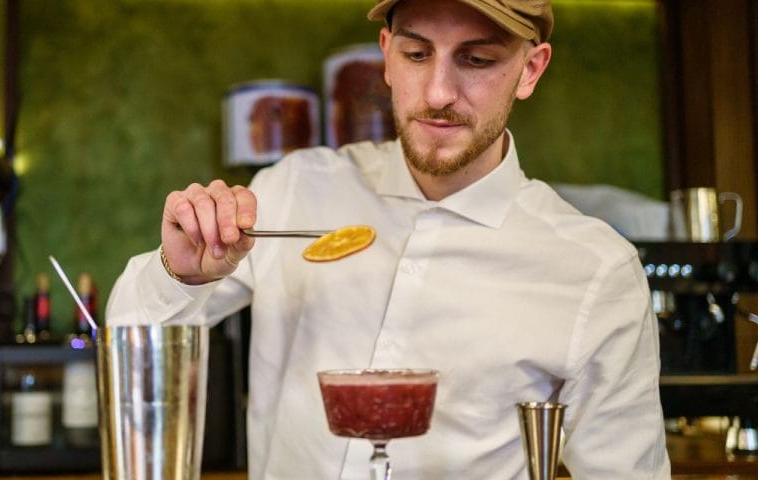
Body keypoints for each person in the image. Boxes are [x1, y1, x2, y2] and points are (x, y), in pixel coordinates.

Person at [105, 0, 671, 478]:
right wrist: (179, 273)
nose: (439, 92)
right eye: (417, 54)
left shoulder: (593, 268)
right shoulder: (294, 189)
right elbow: (126, 335)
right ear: (386, 56)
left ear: (530, 69)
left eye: (477, 59)